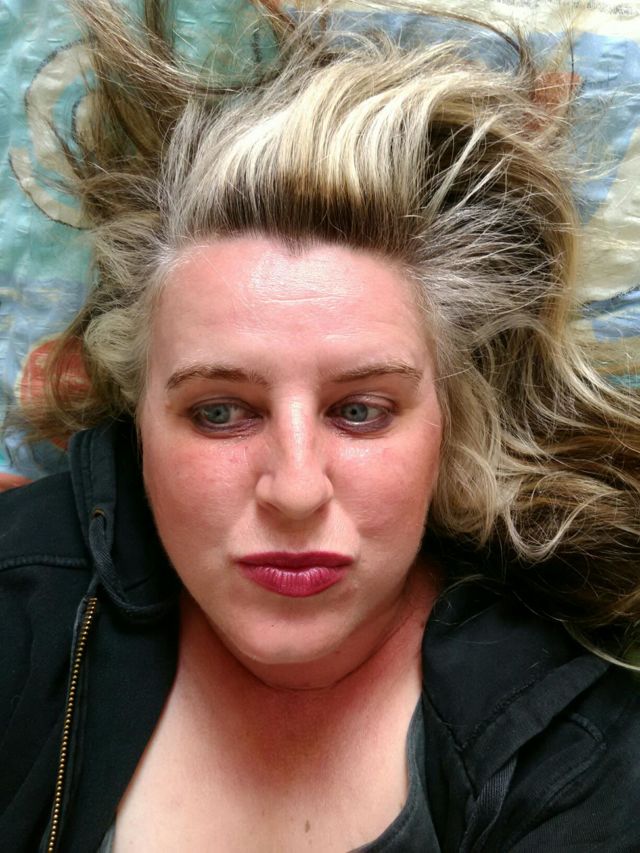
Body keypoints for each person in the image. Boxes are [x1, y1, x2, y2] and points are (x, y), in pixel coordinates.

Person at [1, 1, 640, 850]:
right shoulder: (19, 597)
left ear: (449, 426)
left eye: (361, 411)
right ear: (138, 422)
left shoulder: (578, 746)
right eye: (219, 412)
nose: (296, 490)